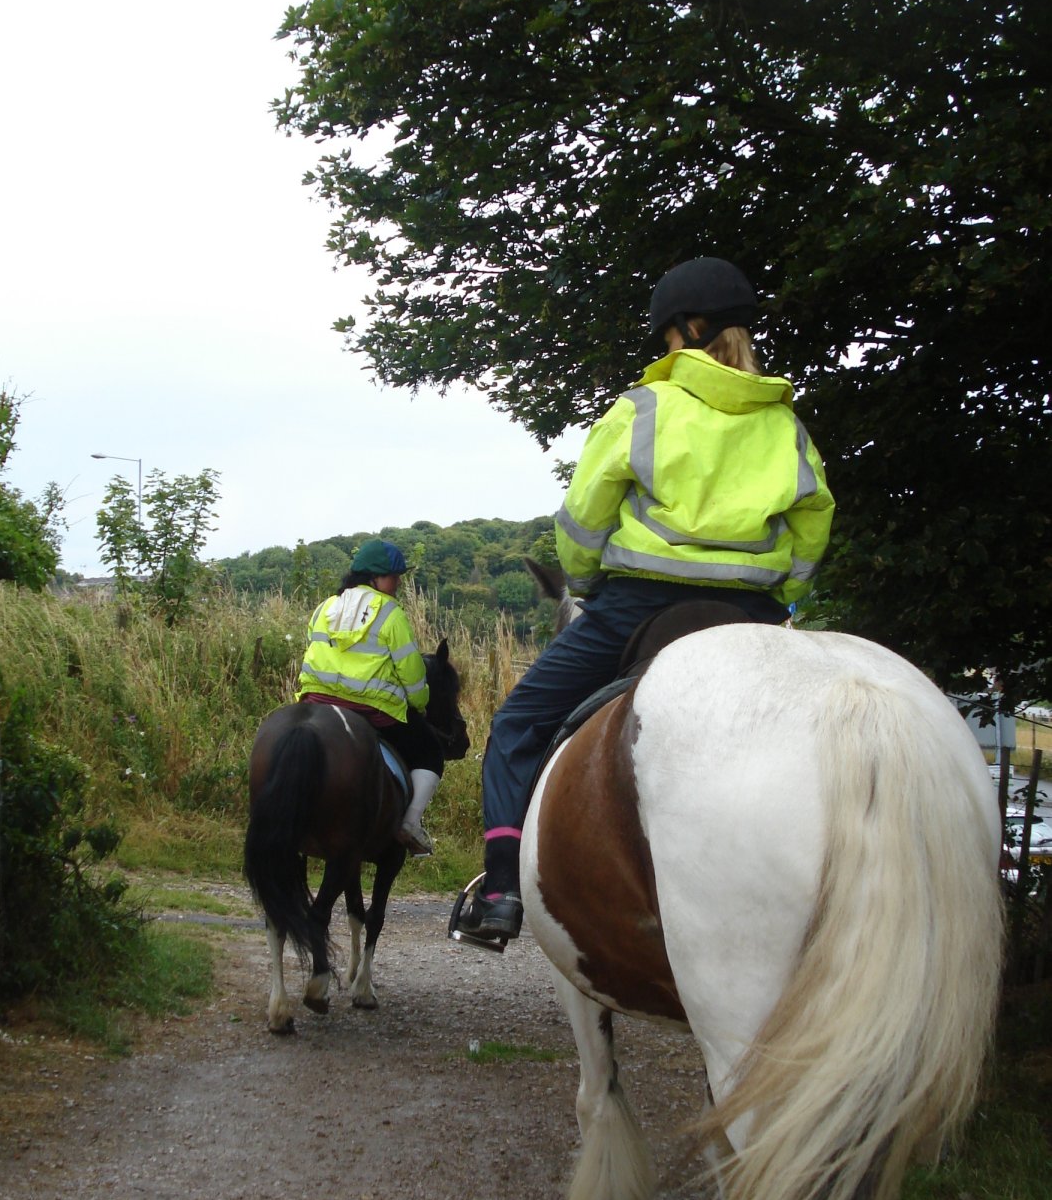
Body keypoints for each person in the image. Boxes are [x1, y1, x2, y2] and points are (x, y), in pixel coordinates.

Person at [454, 256, 836, 942]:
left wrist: (584, 581)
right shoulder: (786, 426)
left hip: (638, 606)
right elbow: (813, 524)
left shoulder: (643, 408)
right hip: (751, 613)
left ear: (687, 329)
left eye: (667, 335)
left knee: (516, 724)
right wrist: (784, 595)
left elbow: (581, 523)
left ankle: (503, 892)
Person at [297, 538, 444, 855]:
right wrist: (419, 705)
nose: (399, 582)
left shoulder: (325, 607)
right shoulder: (390, 613)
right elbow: (412, 673)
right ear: (374, 577)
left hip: (315, 703)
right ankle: (410, 825)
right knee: (430, 750)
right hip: (372, 711)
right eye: (394, 576)